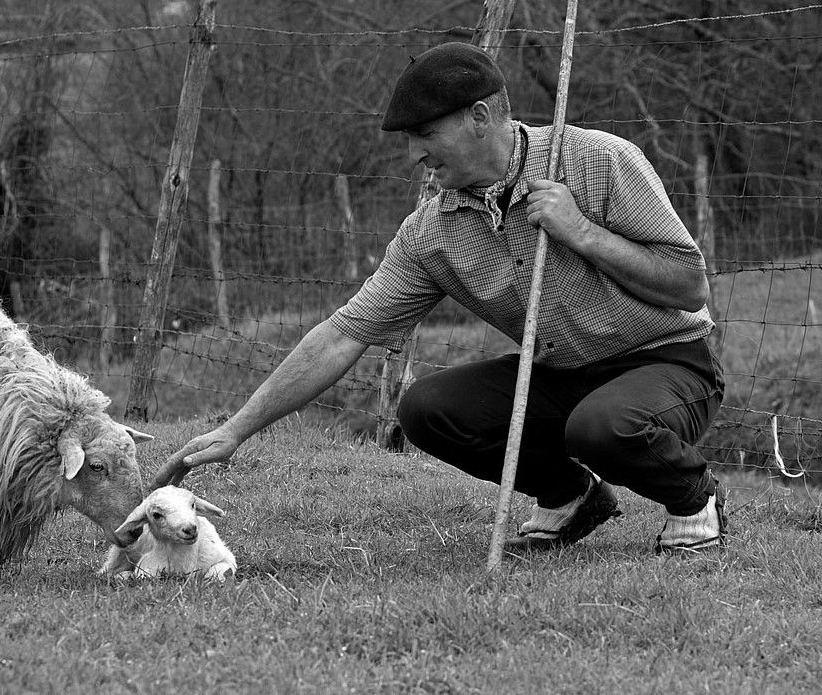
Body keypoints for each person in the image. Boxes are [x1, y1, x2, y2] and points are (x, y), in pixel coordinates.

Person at [152, 42, 727, 553]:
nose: (414, 156)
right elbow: (344, 334)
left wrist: (582, 233)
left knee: (598, 428)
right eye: (409, 141)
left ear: (480, 118)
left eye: (426, 135)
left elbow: (687, 284)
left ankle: (694, 502)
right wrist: (236, 430)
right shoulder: (433, 232)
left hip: (667, 361)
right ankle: (571, 496)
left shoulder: (598, 161)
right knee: (429, 409)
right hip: (561, 374)